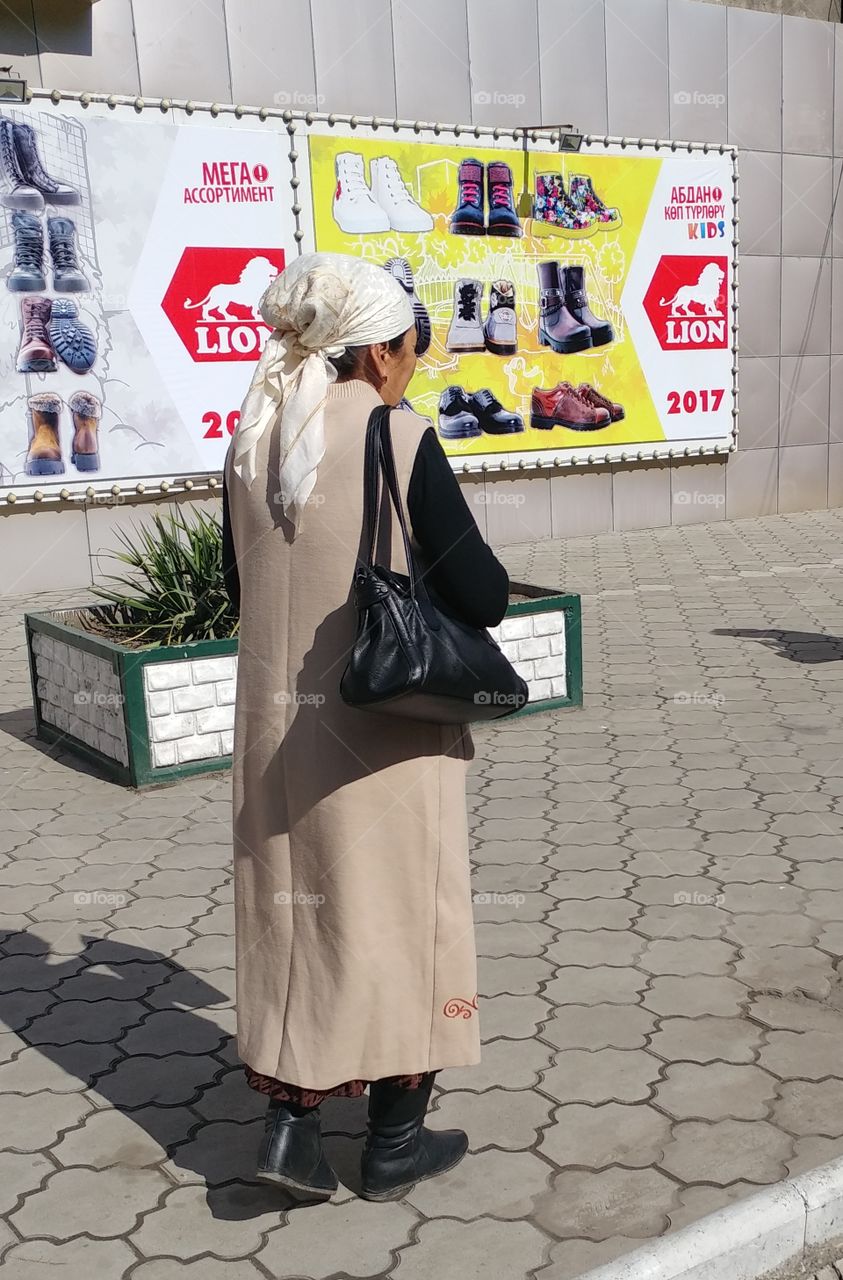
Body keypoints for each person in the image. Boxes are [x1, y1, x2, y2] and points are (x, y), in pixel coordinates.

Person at [222, 252, 509, 1203]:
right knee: (399, 922)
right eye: (412, 344)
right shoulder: (397, 434)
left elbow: (243, 587)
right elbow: (481, 591)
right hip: (378, 730)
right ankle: (391, 1144)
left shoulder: (254, 435)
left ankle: (287, 1135)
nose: (416, 360)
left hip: (273, 732)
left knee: (294, 922)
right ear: (381, 352)